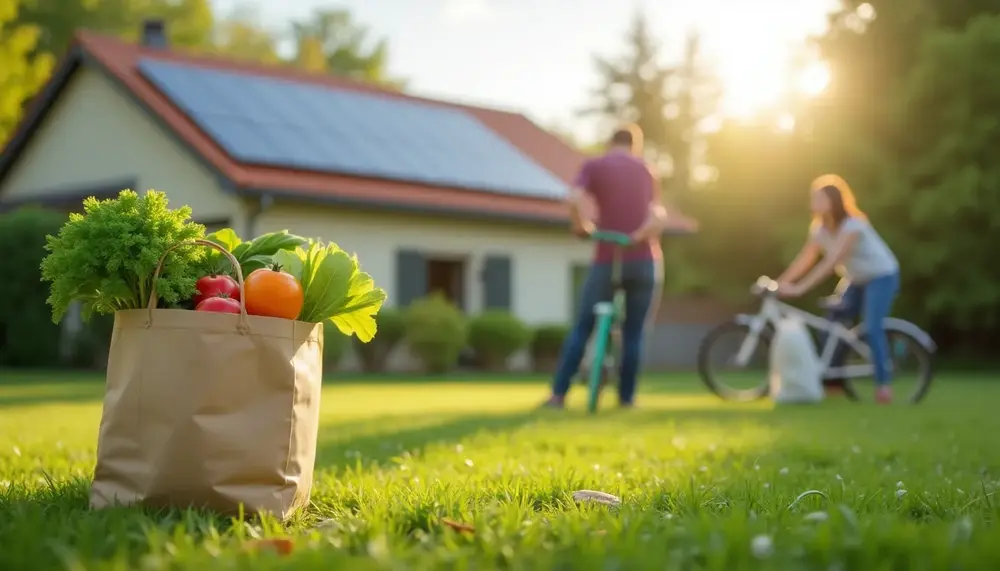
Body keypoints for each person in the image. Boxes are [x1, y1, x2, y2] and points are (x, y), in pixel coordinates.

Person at [542, 124, 692, 409]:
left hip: (606, 258)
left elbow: (573, 198)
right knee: (633, 332)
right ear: (635, 145)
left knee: (583, 325)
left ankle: (558, 394)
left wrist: (581, 225)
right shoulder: (647, 170)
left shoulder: (595, 165)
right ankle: (627, 399)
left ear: (610, 143)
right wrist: (638, 235)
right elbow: (657, 215)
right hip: (644, 260)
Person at [775, 174, 901, 404]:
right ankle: (835, 385)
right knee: (831, 327)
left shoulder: (854, 224)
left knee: (872, 327)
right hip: (855, 278)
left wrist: (800, 288)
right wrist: (780, 282)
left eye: (818, 197)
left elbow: (833, 261)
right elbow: (806, 258)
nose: (813, 201)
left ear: (832, 201)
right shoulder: (819, 229)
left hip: (881, 276)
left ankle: (883, 386)